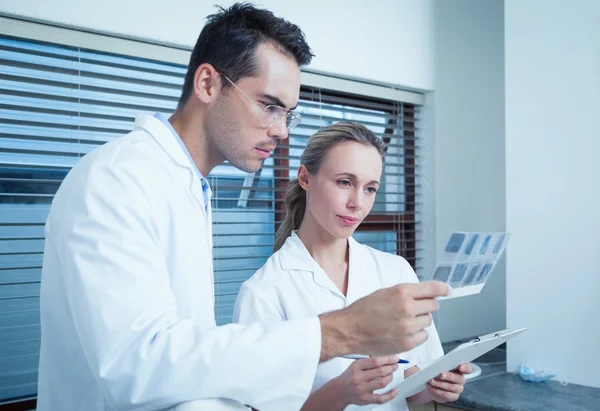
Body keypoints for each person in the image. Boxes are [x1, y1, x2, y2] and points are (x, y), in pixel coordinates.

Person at [36, 3, 449, 411]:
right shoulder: (117, 179)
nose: (281, 131)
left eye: (288, 113)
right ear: (208, 84)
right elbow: (135, 365)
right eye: (269, 105)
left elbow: (190, 364)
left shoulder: (188, 186)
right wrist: (342, 332)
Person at [234, 122, 471, 410]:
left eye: (370, 189)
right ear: (305, 177)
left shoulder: (395, 271)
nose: (357, 203)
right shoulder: (263, 293)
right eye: (345, 182)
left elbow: (410, 382)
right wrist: (341, 392)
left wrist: (436, 387)